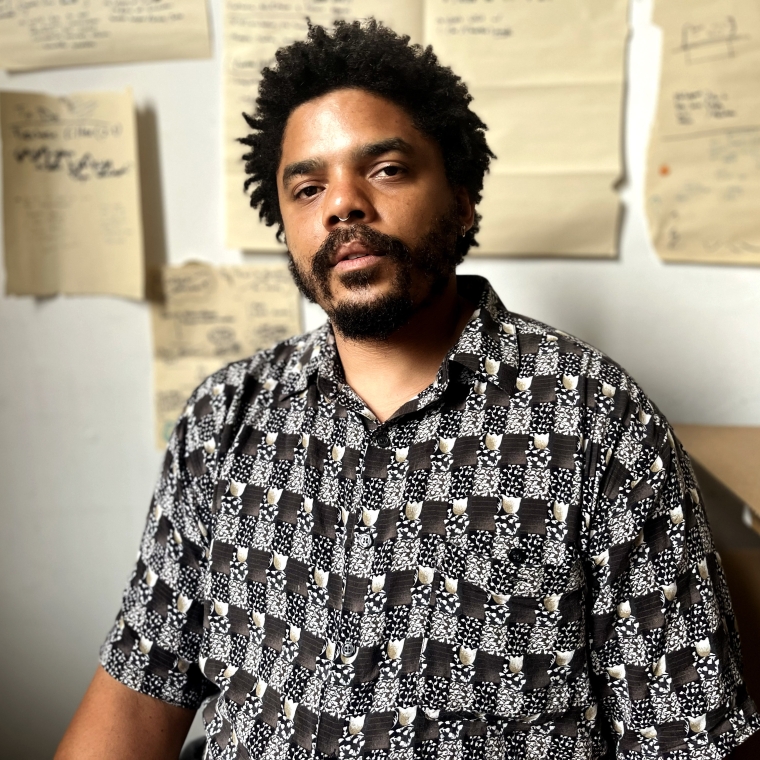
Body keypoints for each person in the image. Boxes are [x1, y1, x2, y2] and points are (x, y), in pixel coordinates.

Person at [56, 19, 759, 760]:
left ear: (462, 199)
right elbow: (133, 707)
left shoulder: (596, 419)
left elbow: (690, 739)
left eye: (386, 169)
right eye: (307, 186)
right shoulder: (225, 417)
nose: (343, 205)